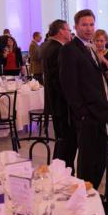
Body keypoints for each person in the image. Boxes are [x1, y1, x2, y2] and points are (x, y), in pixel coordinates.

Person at [59, 9, 108, 188]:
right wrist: (82, 114)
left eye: (91, 24)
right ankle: (85, 196)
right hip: (87, 115)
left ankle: (92, 192)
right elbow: (69, 85)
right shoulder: (70, 50)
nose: (89, 29)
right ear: (76, 27)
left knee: (101, 157)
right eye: (84, 25)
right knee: (88, 161)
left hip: (99, 112)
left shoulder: (90, 48)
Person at [41, 20, 76, 171]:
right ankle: (63, 171)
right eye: (68, 30)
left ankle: (59, 169)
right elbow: (59, 79)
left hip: (53, 101)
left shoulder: (47, 46)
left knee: (61, 139)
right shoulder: (59, 49)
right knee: (66, 140)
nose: (70, 33)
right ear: (61, 31)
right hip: (61, 102)